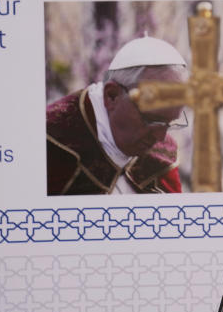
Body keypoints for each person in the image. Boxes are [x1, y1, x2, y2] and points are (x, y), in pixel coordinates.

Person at [47, 35, 189, 195]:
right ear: (112, 96)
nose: (161, 137)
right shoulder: (51, 142)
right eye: (151, 120)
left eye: (169, 124)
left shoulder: (161, 157)